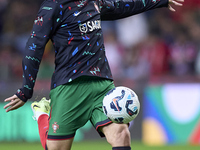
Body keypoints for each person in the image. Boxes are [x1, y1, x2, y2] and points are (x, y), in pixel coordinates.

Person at [4, 0, 184, 149]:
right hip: (69, 86)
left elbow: (121, 6)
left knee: (121, 134)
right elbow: (34, 48)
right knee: (56, 148)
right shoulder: (52, 6)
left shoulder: (94, 2)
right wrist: (25, 91)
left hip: (102, 85)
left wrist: (160, 2)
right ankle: (42, 114)